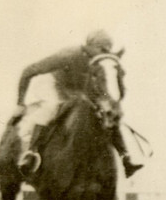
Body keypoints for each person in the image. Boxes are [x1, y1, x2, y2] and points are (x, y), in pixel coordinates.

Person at [13, 30, 143, 179]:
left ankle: (125, 157)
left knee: (106, 112)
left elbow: (105, 88)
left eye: (108, 49)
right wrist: (20, 103)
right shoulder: (68, 55)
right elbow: (28, 71)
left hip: (81, 91)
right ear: (90, 47)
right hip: (57, 85)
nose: (105, 53)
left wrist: (109, 105)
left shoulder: (103, 61)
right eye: (101, 49)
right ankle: (31, 153)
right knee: (52, 106)